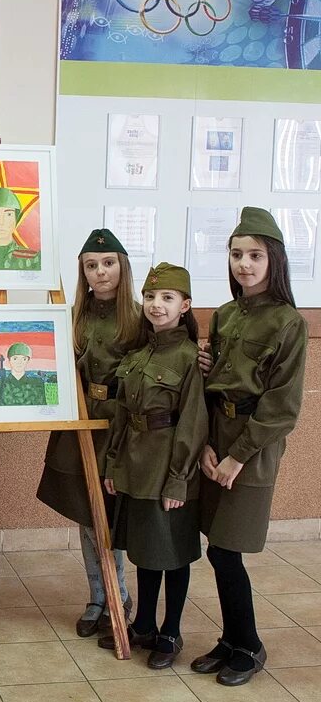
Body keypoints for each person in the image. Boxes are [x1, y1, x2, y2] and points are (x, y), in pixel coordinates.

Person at [192, 208, 307, 686]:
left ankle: (250, 645)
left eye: (255, 255)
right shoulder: (224, 315)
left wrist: (238, 457)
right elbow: (210, 387)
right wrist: (204, 445)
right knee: (218, 547)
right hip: (215, 437)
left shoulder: (288, 323)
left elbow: (282, 407)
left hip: (251, 448)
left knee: (228, 548)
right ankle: (232, 639)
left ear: (274, 260)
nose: (244, 264)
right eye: (237, 254)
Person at [98, 263, 208, 669]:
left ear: (185, 305)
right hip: (135, 466)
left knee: (174, 554)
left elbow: (194, 422)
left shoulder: (189, 356)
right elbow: (123, 416)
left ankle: (171, 631)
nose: (156, 305)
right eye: (149, 297)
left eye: (167, 298)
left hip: (168, 470)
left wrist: (179, 480)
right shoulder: (139, 355)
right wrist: (112, 463)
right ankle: (143, 623)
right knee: (146, 551)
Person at [37, 228, 140, 636]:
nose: (101, 273)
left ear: (123, 266)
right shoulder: (72, 315)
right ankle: (98, 596)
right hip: (80, 422)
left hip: (117, 426)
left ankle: (120, 594)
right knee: (86, 514)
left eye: (109, 263)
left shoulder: (139, 315)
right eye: (92, 266)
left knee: (111, 514)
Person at [0, 342, 47, 406]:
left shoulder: (36, 384)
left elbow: (41, 409)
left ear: (28, 360)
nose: (19, 362)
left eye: (24, 359)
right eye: (15, 358)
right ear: (9, 360)